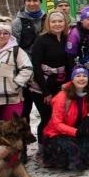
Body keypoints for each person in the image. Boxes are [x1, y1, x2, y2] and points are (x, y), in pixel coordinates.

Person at [43, 66, 89, 171]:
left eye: (85, 76)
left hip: (76, 128)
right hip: (57, 134)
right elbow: (57, 123)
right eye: (78, 76)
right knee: (73, 155)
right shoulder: (62, 96)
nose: (82, 78)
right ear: (72, 79)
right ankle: (55, 159)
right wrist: (75, 132)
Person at [29, 11, 73, 143]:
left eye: (60, 21)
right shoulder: (41, 40)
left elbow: (69, 62)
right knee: (47, 117)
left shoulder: (67, 39)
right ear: (48, 23)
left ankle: (57, 147)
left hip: (61, 85)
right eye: (53, 22)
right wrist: (45, 92)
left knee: (60, 117)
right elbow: (36, 67)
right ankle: (42, 148)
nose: (57, 24)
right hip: (42, 86)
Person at [0, 17, 33, 122]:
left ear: (10, 35)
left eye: (6, 33)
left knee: (10, 129)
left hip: (12, 99)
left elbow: (27, 68)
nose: (2, 36)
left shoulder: (16, 51)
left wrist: (16, 84)